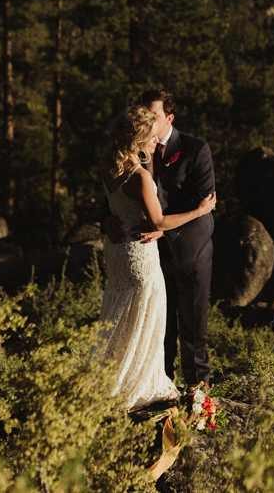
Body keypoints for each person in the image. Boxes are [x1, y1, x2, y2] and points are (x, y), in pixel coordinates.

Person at [98, 105, 216, 410]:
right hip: (139, 255)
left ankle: (109, 380)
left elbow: (115, 206)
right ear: (138, 139)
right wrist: (200, 211)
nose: (155, 143)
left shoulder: (108, 165)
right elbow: (159, 223)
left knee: (119, 317)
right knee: (145, 321)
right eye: (150, 138)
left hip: (117, 250)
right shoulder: (137, 175)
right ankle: (135, 384)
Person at [129, 89, 216, 387]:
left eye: (153, 117)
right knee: (158, 328)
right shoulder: (133, 150)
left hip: (192, 251)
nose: (148, 124)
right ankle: (160, 390)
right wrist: (106, 219)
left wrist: (162, 226)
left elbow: (204, 204)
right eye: (143, 116)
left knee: (193, 329)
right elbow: (120, 191)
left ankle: (197, 398)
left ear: (169, 118)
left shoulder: (196, 149)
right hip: (152, 254)